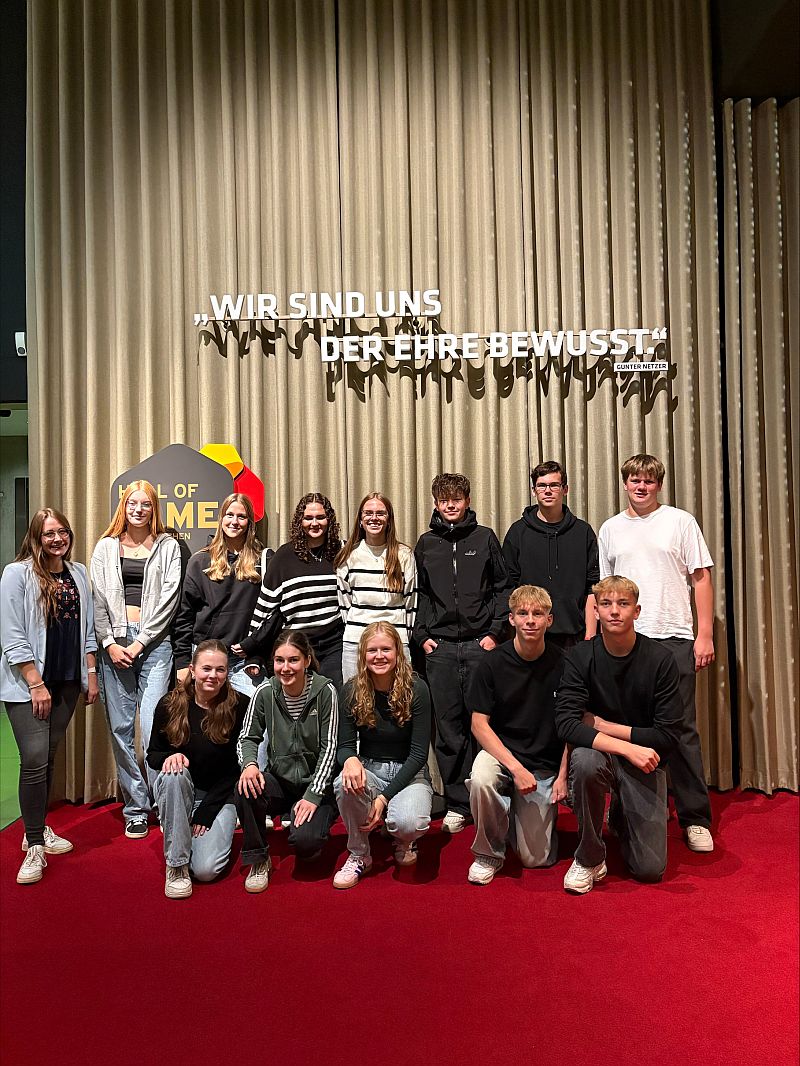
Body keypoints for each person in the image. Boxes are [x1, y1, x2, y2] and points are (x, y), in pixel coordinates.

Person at [597, 453, 716, 852]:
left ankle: (695, 818)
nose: (641, 486)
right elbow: (605, 590)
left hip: (674, 638)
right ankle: (635, 809)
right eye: (635, 480)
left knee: (680, 730)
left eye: (649, 480)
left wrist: (704, 634)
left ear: (659, 485)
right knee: (629, 729)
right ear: (625, 484)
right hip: (625, 642)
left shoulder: (680, 522)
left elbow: (701, 578)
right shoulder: (610, 528)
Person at [555, 576, 683, 893]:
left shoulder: (661, 660)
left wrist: (603, 725)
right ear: (596, 611)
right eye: (607, 604)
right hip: (609, 754)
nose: (614, 611)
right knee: (585, 761)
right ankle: (589, 857)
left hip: (645, 761)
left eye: (623, 604)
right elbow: (567, 724)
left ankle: (619, 814)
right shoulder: (580, 656)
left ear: (636, 611)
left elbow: (668, 736)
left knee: (649, 869)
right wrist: (626, 748)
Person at [1, 509, 99, 884]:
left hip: (67, 681)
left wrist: (90, 674)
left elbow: (87, 629)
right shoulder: (17, 574)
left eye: (62, 532)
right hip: (29, 684)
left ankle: (38, 829)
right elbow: (12, 634)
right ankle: (34, 846)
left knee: (48, 756)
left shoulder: (78, 573)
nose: (57, 539)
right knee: (34, 758)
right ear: (35, 538)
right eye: (48, 534)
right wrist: (34, 682)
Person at [413, 472, 508, 833]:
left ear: (467, 501)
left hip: (480, 646)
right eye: (444, 500)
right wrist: (422, 635)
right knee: (449, 729)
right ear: (436, 504)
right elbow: (420, 593)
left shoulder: (484, 538)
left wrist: (494, 632)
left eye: (456, 499)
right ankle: (457, 802)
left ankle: (488, 795)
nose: (450, 505)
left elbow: (502, 587)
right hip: (440, 648)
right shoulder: (427, 543)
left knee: (485, 723)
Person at [91, 480, 181, 839]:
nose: (139, 509)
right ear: (123, 507)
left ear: (154, 508)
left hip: (154, 644)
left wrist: (141, 641)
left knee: (155, 724)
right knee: (121, 730)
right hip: (114, 644)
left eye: (145, 504)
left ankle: (164, 801)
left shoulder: (168, 546)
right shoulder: (105, 546)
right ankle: (136, 808)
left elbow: (170, 598)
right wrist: (109, 643)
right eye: (132, 503)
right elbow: (97, 600)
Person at [466, 585, 568, 885]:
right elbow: (478, 725)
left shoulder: (565, 664)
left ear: (549, 619)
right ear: (511, 619)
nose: (530, 620)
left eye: (538, 613)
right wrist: (515, 768)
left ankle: (516, 816)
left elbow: (573, 725)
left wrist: (562, 775)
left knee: (536, 859)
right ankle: (488, 853)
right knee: (482, 776)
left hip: (544, 763)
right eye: (522, 613)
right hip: (503, 756)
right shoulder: (491, 663)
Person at [235, 629, 339, 893]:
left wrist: (313, 795)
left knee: (306, 844)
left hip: (316, 786)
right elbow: (247, 737)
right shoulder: (265, 692)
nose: (285, 668)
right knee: (245, 786)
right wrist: (249, 765)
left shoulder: (326, 691)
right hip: (280, 782)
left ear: (307, 660)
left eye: (293, 660)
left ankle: (308, 823)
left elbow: (329, 748)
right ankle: (259, 859)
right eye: (279, 660)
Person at [333, 621, 433, 889]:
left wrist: (383, 799)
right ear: (363, 655)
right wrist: (350, 759)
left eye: (386, 649)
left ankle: (402, 838)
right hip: (371, 768)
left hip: (410, 772)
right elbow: (344, 746)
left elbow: (419, 754)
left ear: (398, 652)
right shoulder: (351, 690)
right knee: (343, 783)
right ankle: (359, 853)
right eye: (372, 650)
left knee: (408, 823)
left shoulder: (417, 688)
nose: (379, 656)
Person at [147, 640, 248, 899]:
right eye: (206, 668)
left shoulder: (240, 706)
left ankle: (182, 835)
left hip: (219, 795)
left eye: (220, 669)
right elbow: (153, 755)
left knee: (205, 871)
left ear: (227, 672)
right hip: (178, 790)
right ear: (192, 670)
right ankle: (176, 866)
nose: (213, 675)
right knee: (175, 772)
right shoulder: (169, 704)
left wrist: (206, 812)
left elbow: (238, 767)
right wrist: (170, 757)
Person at [239, 493, 344, 688]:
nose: (314, 523)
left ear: (329, 519)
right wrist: (254, 653)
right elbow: (264, 608)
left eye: (320, 517)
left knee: (333, 694)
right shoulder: (284, 557)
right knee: (298, 699)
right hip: (296, 645)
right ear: (299, 521)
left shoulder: (341, 551)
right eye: (308, 518)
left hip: (333, 645)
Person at [173, 493, 269, 699]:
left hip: (244, 660)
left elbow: (272, 614)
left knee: (262, 711)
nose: (235, 521)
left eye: (241, 517)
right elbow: (185, 615)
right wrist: (182, 662)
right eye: (229, 515)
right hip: (205, 657)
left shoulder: (264, 561)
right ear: (221, 518)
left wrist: (255, 649)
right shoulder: (200, 561)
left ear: (250, 522)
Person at [502, 461, 599, 649]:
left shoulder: (583, 532)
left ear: (565, 489)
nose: (548, 491)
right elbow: (508, 587)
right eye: (542, 486)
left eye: (554, 485)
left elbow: (592, 587)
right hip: (530, 635)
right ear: (534, 491)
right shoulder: (518, 532)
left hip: (575, 636)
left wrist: (590, 635)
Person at [336, 492, 417, 683]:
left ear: (389, 519)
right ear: (360, 520)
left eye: (380, 513)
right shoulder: (348, 555)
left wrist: (400, 638)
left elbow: (411, 603)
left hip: (396, 641)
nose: (374, 518)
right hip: (356, 641)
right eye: (368, 513)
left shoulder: (404, 555)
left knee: (400, 695)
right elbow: (345, 603)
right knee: (355, 696)